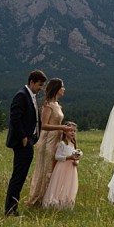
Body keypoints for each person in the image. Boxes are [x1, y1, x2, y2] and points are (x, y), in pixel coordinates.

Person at [4, 69, 47, 216]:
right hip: (23, 142)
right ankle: (10, 209)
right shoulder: (21, 95)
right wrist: (23, 138)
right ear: (31, 82)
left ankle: (13, 208)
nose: (40, 89)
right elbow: (15, 118)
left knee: (21, 176)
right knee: (18, 176)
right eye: (39, 85)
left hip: (30, 140)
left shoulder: (31, 96)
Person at [26, 77, 73, 207]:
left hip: (56, 140)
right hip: (47, 141)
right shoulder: (48, 105)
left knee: (52, 169)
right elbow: (44, 125)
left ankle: (48, 199)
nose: (64, 89)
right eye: (62, 86)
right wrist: (61, 127)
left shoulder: (57, 104)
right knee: (45, 170)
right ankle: (36, 200)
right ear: (56, 89)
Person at [42, 122, 82, 210]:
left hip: (71, 169)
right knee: (60, 183)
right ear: (64, 132)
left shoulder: (73, 144)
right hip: (62, 167)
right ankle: (55, 201)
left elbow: (76, 157)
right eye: (70, 130)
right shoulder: (62, 144)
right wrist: (68, 157)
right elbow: (57, 156)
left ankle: (65, 203)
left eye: (74, 131)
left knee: (69, 184)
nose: (72, 133)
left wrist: (76, 161)